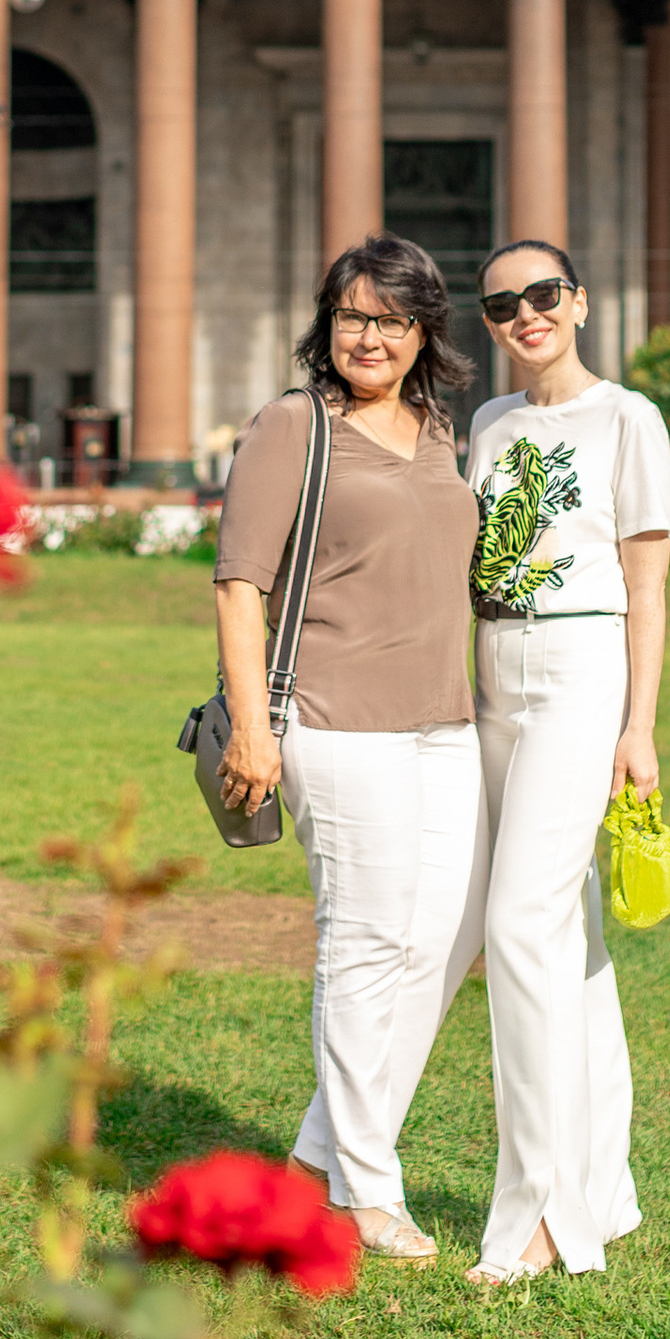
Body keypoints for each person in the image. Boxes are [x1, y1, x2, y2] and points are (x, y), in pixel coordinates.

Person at [212, 237, 482, 1263]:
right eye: (352, 316)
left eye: (392, 319)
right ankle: (366, 1192)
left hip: (442, 723)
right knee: (366, 948)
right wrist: (251, 727)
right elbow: (240, 583)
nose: (370, 336)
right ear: (326, 326)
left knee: (435, 946)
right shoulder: (292, 428)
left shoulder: (437, 432)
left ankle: (320, 1156)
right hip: (333, 719)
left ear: (424, 334)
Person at [463, 238, 670, 1286]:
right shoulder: (491, 424)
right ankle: (606, 1187)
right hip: (496, 666)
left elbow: (648, 585)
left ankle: (543, 1216)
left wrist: (637, 727)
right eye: (502, 306)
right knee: (570, 938)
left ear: (580, 302)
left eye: (543, 295)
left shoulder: (629, 419)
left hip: (584, 664)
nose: (525, 316)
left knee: (517, 926)